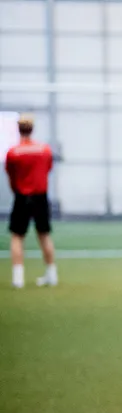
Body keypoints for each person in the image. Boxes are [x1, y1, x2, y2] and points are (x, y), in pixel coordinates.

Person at [5, 114, 56, 289]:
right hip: (40, 196)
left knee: (17, 236)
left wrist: (18, 190)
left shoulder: (13, 152)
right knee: (44, 234)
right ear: (32, 129)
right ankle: (52, 274)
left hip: (22, 197)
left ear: (19, 129)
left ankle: (18, 278)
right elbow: (48, 169)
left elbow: (11, 176)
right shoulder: (45, 150)